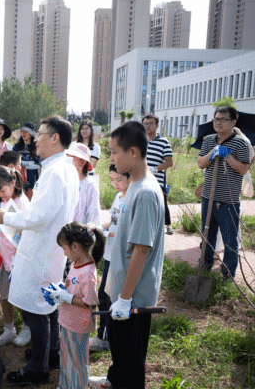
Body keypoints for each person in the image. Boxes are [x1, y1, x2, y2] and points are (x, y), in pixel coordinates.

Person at [0, 116, 80, 386]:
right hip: (49, 248)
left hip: (41, 249)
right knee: (47, 304)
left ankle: (37, 370)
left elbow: (38, 217)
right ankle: (50, 355)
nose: (35, 139)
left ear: (55, 138)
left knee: (35, 312)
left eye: (40, 134)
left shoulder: (55, 171)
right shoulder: (64, 168)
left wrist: (5, 218)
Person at [87, 121, 165, 389]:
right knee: (121, 349)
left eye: (114, 152)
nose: (111, 158)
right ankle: (114, 379)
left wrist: (124, 298)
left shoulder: (144, 193)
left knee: (131, 358)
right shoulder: (133, 185)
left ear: (133, 152)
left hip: (132, 296)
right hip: (122, 288)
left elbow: (141, 251)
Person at [42, 222, 103, 389]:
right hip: (68, 321)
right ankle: (65, 385)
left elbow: (90, 302)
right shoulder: (77, 263)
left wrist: (66, 297)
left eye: (64, 248)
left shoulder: (88, 271)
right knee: (67, 358)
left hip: (79, 325)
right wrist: (60, 291)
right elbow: (73, 287)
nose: (64, 253)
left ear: (75, 247)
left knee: (77, 361)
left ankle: (78, 386)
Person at [196, 106, 251, 279]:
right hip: (208, 199)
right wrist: (213, 153)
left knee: (230, 241)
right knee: (207, 236)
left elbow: (243, 169)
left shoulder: (241, 143)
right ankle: (204, 269)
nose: (218, 123)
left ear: (233, 122)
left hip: (228, 201)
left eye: (223, 119)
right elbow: (200, 163)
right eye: (216, 119)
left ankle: (228, 275)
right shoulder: (208, 140)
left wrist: (227, 156)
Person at [0, 166, 32, 347]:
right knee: (5, 295)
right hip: (5, 259)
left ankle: (27, 329)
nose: (0, 194)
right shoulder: (5, 202)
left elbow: (25, 234)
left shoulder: (22, 203)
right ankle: (9, 329)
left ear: (13, 183)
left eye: (2, 189)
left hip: (19, 261)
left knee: (21, 297)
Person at [90, 164, 130, 353]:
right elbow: (113, 222)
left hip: (119, 256)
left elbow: (122, 230)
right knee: (103, 294)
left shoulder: (131, 200)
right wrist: (98, 226)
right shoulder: (118, 197)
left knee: (107, 296)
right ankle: (104, 334)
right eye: (112, 179)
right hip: (109, 254)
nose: (115, 183)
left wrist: (105, 232)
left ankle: (104, 337)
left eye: (119, 179)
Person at [64, 142, 102, 279]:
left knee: (77, 279)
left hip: (79, 239)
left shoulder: (90, 185)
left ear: (80, 162)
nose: (67, 161)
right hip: (64, 236)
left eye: (71, 158)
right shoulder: (66, 182)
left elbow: (94, 214)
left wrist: (89, 228)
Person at [142, 115, 174, 235]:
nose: (148, 126)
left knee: (158, 208)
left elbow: (169, 162)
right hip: (140, 181)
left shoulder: (164, 142)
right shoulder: (140, 141)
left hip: (156, 181)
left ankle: (164, 228)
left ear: (157, 125)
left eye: (150, 123)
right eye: (145, 124)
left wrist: (154, 169)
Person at [12, 121, 41, 200]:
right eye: (22, 131)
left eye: (26, 132)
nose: (23, 133)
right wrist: (28, 164)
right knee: (18, 199)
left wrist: (21, 163)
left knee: (30, 200)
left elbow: (37, 164)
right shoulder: (16, 146)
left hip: (32, 177)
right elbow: (13, 162)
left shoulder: (36, 146)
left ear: (31, 133)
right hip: (18, 177)